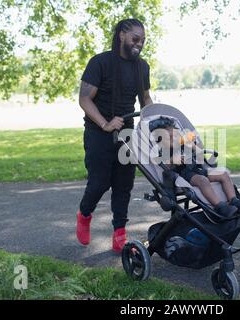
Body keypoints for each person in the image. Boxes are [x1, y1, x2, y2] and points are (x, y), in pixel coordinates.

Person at [76, 18, 153, 252]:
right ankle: (84, 215)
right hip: (98, 132)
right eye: (135, 39)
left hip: (127, 133)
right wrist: (105, 123)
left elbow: (145, 99)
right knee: (99, 183)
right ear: (121, 35)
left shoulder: (142, 67)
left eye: (143, 40)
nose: (139, 44)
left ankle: (120, 233)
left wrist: (155, 116)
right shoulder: (100, 62)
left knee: (123, 185)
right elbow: (84, 98)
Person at [150, 117, 240, 217]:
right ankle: (219, 206)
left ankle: (234, 200)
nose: (174, 139)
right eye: (169, 138)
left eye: (175, 135)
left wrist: (192, 145)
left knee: (223, 174)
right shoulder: (164, 151)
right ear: (160, 142)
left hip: (197, 169)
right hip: (184, 176)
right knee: (203, 180)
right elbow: (163, 165)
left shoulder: (183, 143)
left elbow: (200, 154)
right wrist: (172, 160)